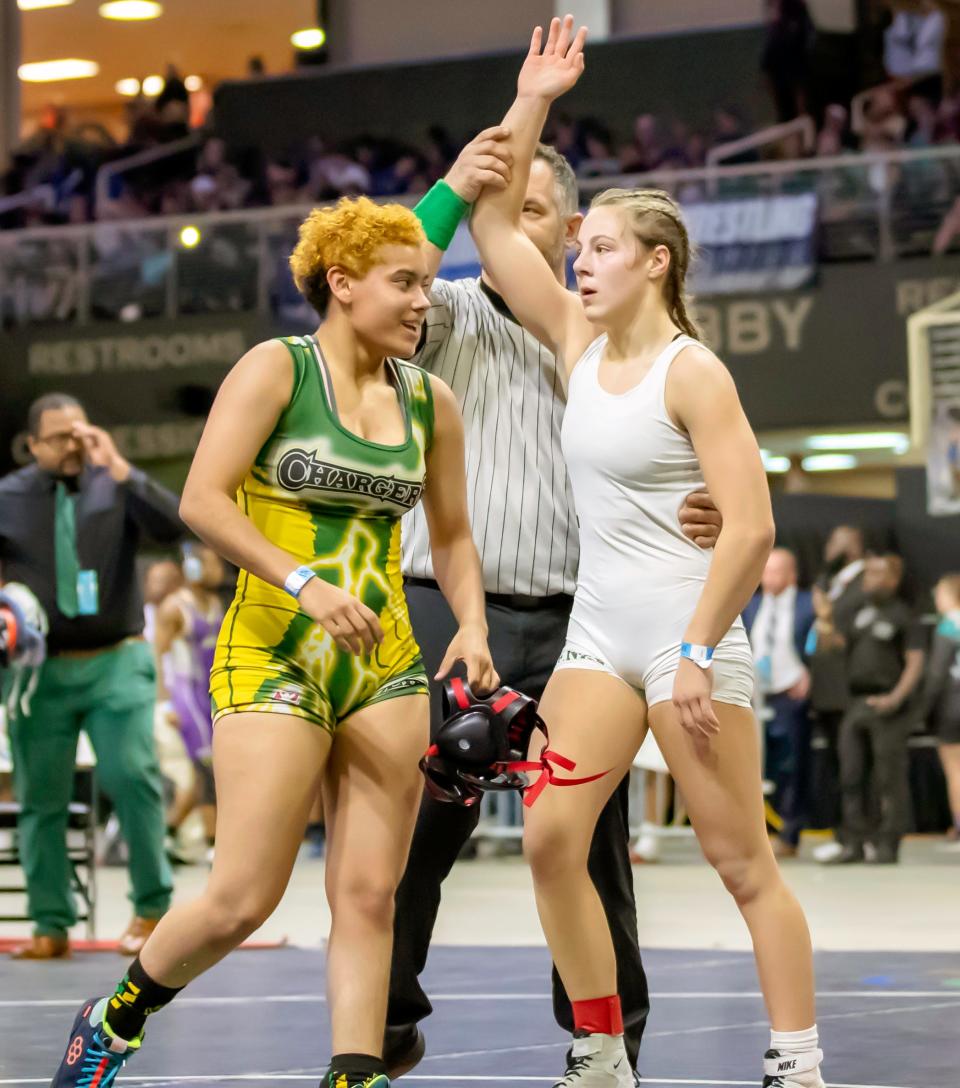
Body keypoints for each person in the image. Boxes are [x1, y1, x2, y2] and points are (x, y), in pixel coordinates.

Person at [48, 196, 498, 1088]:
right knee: (244, 896)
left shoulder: (431, 401)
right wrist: (304, 581)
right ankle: (117, 1015)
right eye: (404, 283)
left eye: (428, 284)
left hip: (387, 666)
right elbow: (202, 501)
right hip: (273, 650)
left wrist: (475, 625)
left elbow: (450, 537)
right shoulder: (275, 371)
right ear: (341, 283)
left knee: (370, 895)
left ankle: (354, 1072)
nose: (423, 302)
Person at [469, 18, 824, 1087]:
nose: (578, 262)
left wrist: (697, 648)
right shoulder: (575, 343)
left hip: (683, 632)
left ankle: (797, 1060)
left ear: (656, 261)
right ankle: (599, 1047)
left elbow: (752, 527)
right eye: (578, 251)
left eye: (601, 249)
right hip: (597, 638)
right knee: (547, 840)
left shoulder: (693, 372)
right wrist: (532, 101)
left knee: (738, 861)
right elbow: (490, 221)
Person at [386, 136, 723, 1086]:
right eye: (498, 214)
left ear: (577, 234)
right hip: (448, 614)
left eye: (531, 213)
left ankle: (609, 1044)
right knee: (414, 833)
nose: (512, 231)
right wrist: (479, 168)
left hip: (587, 623)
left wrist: (718, 503)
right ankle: (381, 1019)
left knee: (590, 851)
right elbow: (404, 256)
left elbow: (711, 470)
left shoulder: (638, 351)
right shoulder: (441, 311)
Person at [0, 394, 182, 960]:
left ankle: (153, 911)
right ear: (32, 444)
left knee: (132, 777)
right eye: (58, 438)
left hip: (117, 659)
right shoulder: (7, 496)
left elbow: (177, 524)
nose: (72, 447)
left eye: (79, 435)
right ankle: (51, 925)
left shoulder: (115, 483)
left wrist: (122, 469)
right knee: (42, 799)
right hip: (37, 670)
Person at [815, 554, 925, 865]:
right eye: (867, 574)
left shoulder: (905, 616)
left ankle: (888, 842)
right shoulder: (857, 614)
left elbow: (915, 663)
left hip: (888, 705)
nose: (870, 579)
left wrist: (896, 698)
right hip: (856, 703)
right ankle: (854, 841)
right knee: (850, 774)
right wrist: (825, 618)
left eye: (878, 573)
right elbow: (834, 646)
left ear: (894, 579)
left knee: (887, 777)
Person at [152, 544, 225, 859]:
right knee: (208, 769)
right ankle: (213, 847)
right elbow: (158, 654)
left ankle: (167, 833)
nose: (217, 570)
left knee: (203, 775)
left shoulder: (214, 602)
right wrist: (165, 703)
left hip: (210, 694)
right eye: (209, 563)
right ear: (192, 567)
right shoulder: (174, 607)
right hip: (185, 698)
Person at [744, 548, 815, 859]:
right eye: (765, 570)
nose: (768, 577)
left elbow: (823, 644)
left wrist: (809, 673)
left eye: (776, 571)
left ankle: (790, 834)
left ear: (792, 575)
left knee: (792, 765)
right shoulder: (751, 603)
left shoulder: (809, 604)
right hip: (755, 696)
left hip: (791, 694)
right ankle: (756, 834)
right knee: (755, 766)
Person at [922, 573, 960, 847]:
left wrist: (924, 709)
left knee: (955, 769)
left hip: (953, 704)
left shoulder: (948, 627)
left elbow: (936, 674)